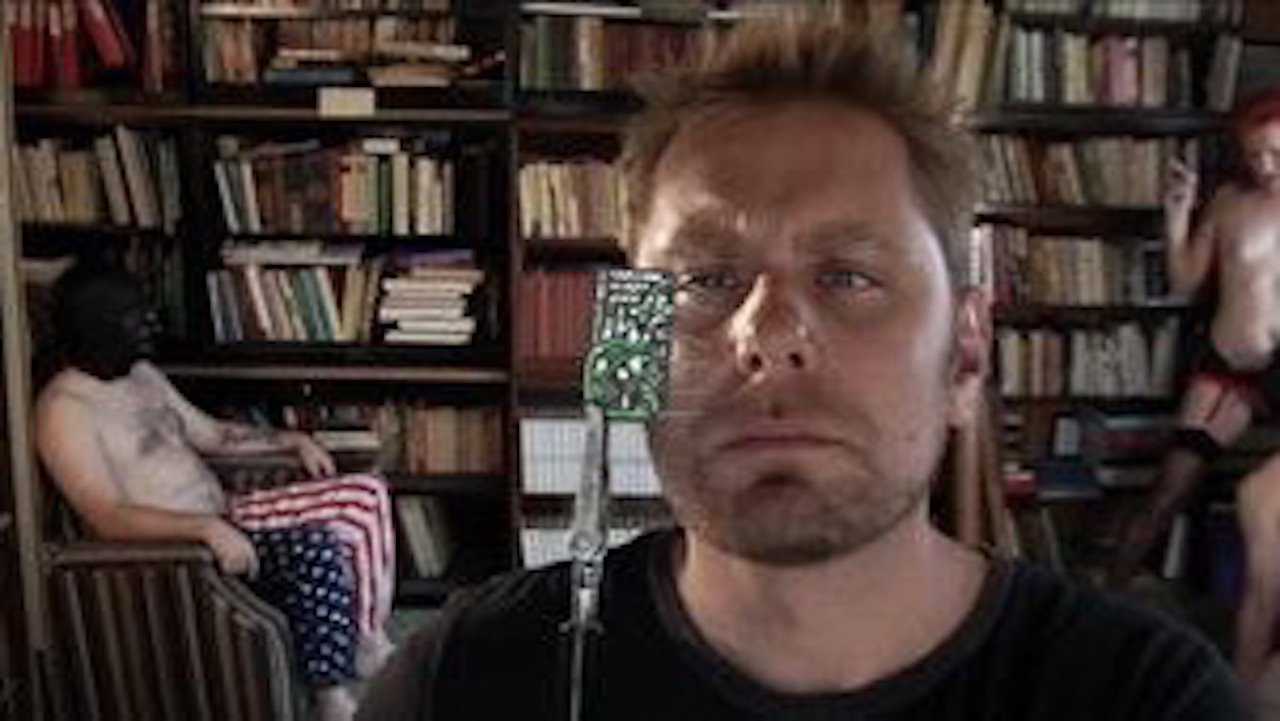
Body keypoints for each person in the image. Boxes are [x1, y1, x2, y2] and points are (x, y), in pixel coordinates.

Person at [358, 18, 1245, 721]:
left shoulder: (1148, 697)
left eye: (849, 275)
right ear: (632, 341)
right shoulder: (459, 684)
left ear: (967, 351)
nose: (768, 331)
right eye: (704, 279)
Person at [35, 262, 396, 721]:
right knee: (318, 548)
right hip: (183, 549)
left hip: (230, 512)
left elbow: (213, 435)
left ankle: (365, 638)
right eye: (135, 316)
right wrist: (203, 528)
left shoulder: (143, 376)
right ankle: (331, 694)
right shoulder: (63, 410)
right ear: (95, 324)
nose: (151, 324)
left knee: (364, 494)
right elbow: (105, 514)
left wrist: (288, 440)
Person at [1106, 87, 1280, 685]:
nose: (1266, 166)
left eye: (1277, 153)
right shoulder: (1230, 203)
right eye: (1256, 155)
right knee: (1168, 492)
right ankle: (1105, 600)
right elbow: (1184, 282)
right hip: (1231, 369)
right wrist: (1178, 213)